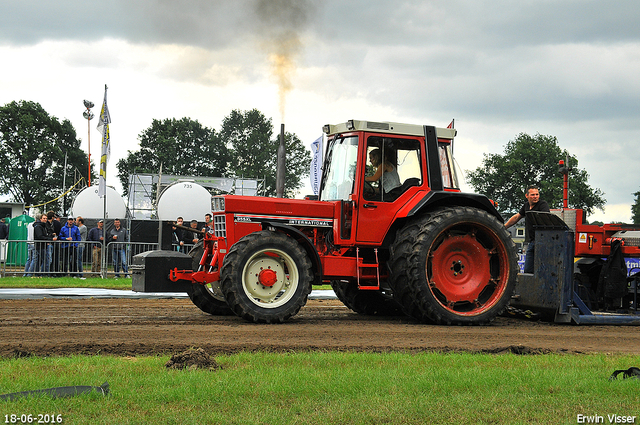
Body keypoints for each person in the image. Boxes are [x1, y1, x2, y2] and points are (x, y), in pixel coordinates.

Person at [504, 185, 550, 274]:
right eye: (533, 195)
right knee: (528, 270)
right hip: (532, 241)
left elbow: (546, 217)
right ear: (527, 196)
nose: (535, 197)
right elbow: (517, 217)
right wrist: (504, 227)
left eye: (537, 194)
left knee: (542, 268)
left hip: (543, 241)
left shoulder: (542, 205)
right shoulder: (526, 206)